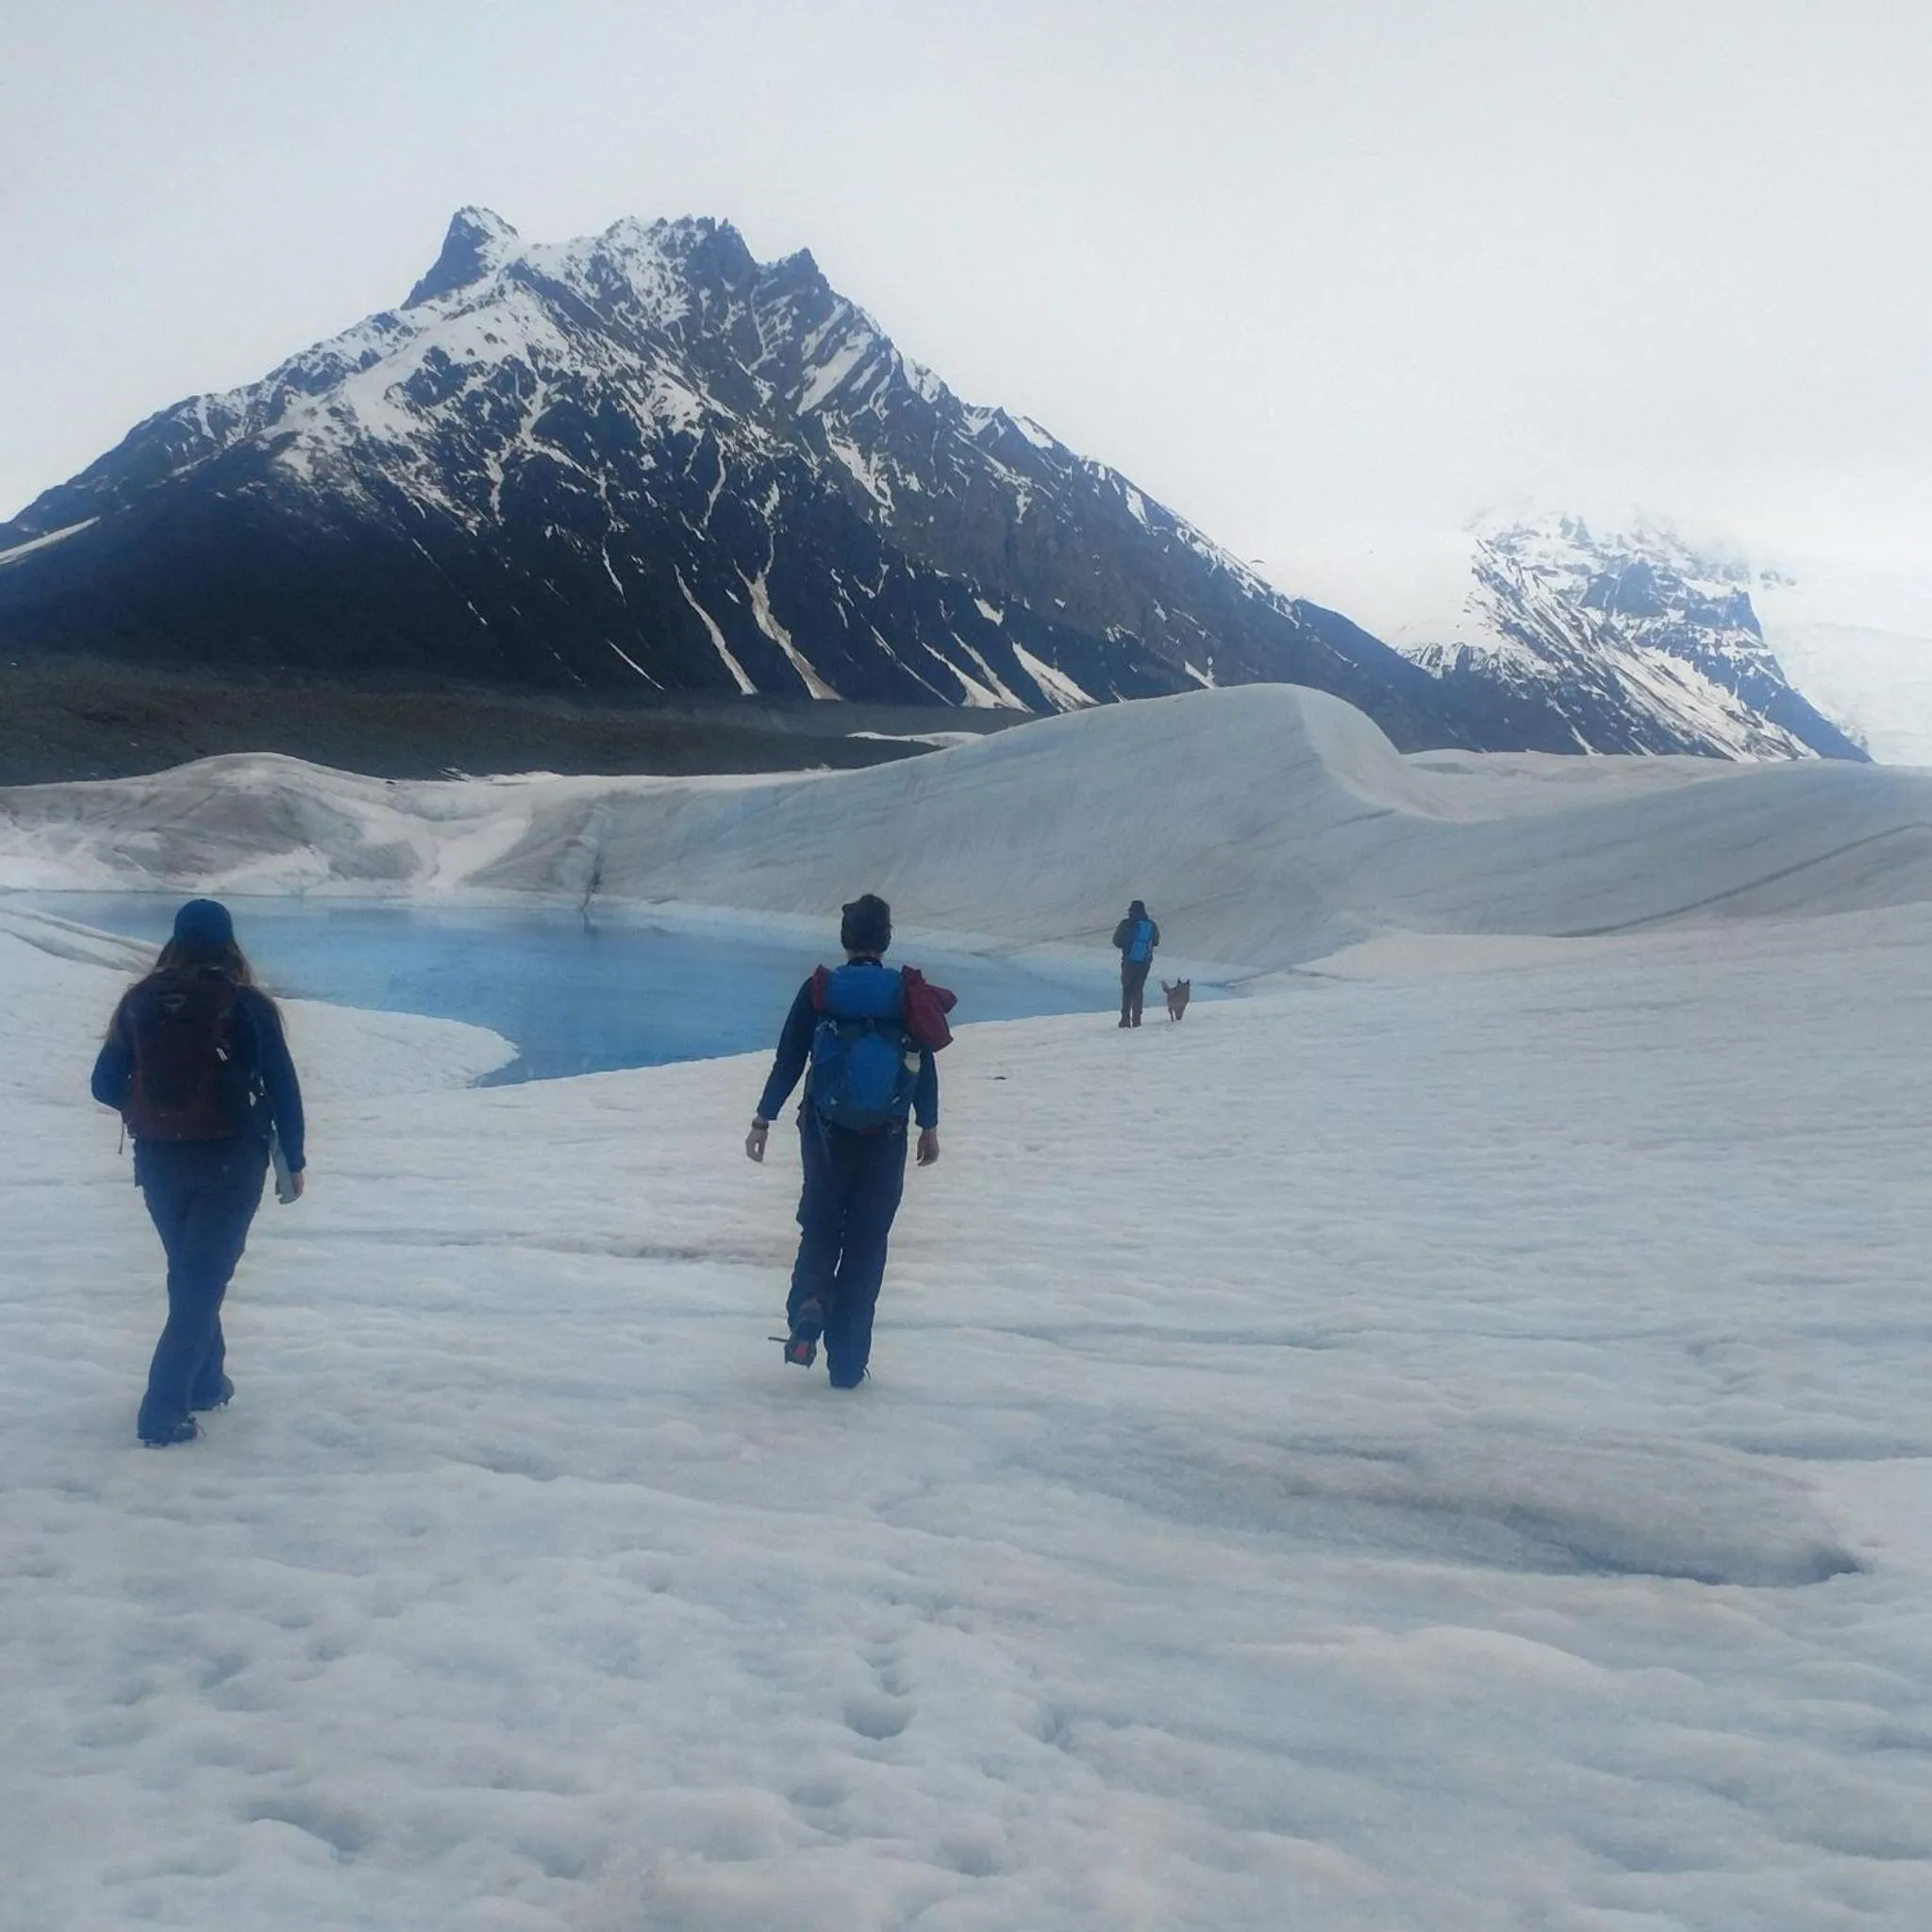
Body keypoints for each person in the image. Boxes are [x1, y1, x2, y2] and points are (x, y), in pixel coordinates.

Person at [91, 899, 307, 1447]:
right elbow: (282, 1085)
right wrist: (294, 1159)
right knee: (201, 1280)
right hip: (233, 1160)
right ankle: (163, 1411)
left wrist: (154, 1110)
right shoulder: (248, 1005)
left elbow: (103, 1084)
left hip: (160, 1159)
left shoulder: (138, 1002)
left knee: (190, 1274)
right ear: (229, 943)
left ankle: (207, 1380)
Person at [745, 893, 941, 1389]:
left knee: (821, 1225)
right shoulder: (905, 992)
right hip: (887, 1135)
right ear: (887, 939)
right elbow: (925, 1062)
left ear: (845, 939)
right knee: (867, 1243)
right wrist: (929, 1125)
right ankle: (848, 1364)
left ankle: (810, 1303)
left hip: (825, 1131)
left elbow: (789, 1059)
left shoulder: (821, 989)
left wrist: (763, 1118)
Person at [1112, 898, 1160, 1028]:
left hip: (1129, 962)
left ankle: (1125, 1019)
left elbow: (1116, 941)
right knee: (1138, 989)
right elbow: (1156, 941)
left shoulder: (1126, 924)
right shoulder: (1151, 925)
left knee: (1127, 989)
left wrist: (1128, 947)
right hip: (1144, 962)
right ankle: (1137, 1019)